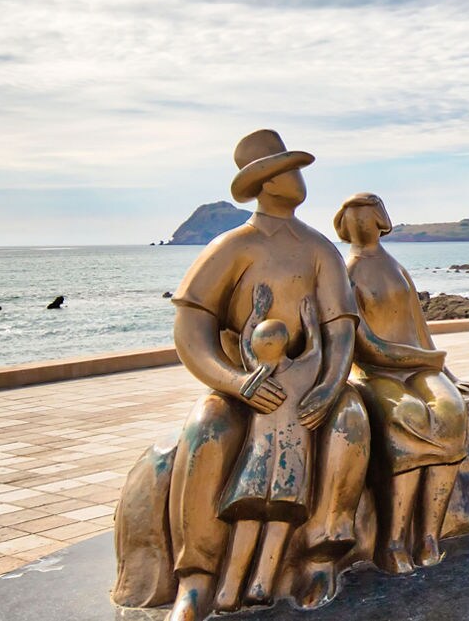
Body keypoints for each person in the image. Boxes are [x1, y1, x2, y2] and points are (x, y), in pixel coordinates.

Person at [164, 130, 370, 621]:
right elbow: (191, 328)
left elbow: (340, 329)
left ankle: (321, 556)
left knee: (351, 419)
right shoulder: (232, 246)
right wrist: (234, 383)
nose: (300, 180)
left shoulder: (320, 248)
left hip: (307, 382)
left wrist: (330, 383)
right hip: (246, 384)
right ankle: (196, 578)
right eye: (290, 170)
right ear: (269, 181)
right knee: (207, 425)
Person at [335, 193, 469, 574]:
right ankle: (392, 541)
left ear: (381, 220)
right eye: (354, 215)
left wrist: (448, 375)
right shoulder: (346, 272)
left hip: (419, 367)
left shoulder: (395, 268)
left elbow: (421, 330)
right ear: (344, 225)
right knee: (407, 416)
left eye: (368, 213)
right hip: (377, 372)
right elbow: (365, 344)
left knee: (451, 411)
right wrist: (423, 360)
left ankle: (429, 536)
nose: (362, 220)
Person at [215, 292, 323, 610]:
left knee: (247, 518)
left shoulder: (255, 376)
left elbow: (245, 342)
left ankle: (229, 588)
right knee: (280, 520)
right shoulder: (303, 372)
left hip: (257, 462)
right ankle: (261, 583)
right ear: (286, 343)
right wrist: (310, 320)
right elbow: (316, 349)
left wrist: (256, 313)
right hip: (291, 463)